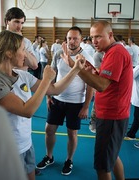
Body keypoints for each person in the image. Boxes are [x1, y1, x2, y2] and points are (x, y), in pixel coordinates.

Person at [0, 30, 85, 180]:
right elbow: (27, 110)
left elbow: (55, 89)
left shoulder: (22, 75)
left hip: (25, 144)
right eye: (23, 50)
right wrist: (47, 79)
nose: (26, 55)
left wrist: (75, 70)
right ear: (9, 53)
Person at [61, 20, 133, 180]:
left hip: (112, 116)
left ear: (110, 35)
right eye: (92, 37)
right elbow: (105, 79)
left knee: (102, 166)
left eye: (98, 37)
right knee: (112, 158)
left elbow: (101, 86)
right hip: (112, 115)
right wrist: (89, 70)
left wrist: (75, 67)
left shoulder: (116, 53)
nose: (94, 41)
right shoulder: (111, 52)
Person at [36, 26, 94, 176]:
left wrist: (86, 106)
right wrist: (48, 96)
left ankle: (69, 160)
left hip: (75, 102)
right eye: (69, 38)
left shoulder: (87, 57)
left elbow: (91, 84)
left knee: (72, 133)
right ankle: (49, 156)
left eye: (75, 38)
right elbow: (52, 75)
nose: (72, 41)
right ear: (66, 39)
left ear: (81, 40)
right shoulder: (59, 53)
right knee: (49, 130)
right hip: (57, 99)